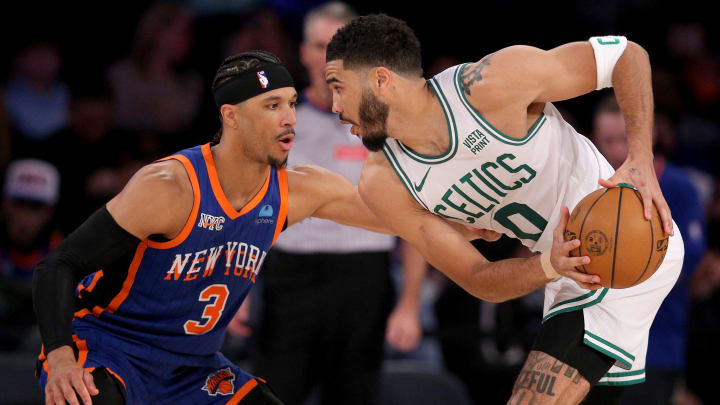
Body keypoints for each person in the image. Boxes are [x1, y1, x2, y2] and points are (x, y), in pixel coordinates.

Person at [33, 50, 488, 405]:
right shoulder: (170, 186)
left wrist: (469, 225)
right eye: (272, 106)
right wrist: (58, 357)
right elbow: (60, 264)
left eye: (290, 104)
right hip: (110, 350)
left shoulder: (298, 189)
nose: (290, 118)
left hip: (192, 366)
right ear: (231, 116)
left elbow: (402, 218)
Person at [324, 14, 684, 405]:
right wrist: (547, 266)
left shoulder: (491, 84)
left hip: (621, 242)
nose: (334, 106)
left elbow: (626, 56)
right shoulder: (384, 182)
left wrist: (641, 157)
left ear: (380, 80)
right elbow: (477, 277)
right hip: (568, 271)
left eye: (339, 88)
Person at [249, 4, 425, 404]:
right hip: (289, 275)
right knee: (273, 393)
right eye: (319, 46)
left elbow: (417, 215)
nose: (328, 58)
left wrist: (410, 303)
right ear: (304, 52)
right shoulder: (274, 121)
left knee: (354, 395)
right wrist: (237, 291)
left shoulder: (389, 124)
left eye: (337, 48)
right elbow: (243, 211)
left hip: (364, 275)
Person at [590, 97, 707, 404]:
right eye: (608, 140)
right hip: (594, 344)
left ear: (648, 135)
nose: (616, 150)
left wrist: (621, 267)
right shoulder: (590, 187)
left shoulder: (680, 187)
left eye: (624, 140)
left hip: (656, 347)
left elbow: (690, 263)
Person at [1, 159, 62, 351]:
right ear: (6, 204)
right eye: (20, 204)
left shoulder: (62, 250)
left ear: (49, 212)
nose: (25, 216)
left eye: (35, 207)